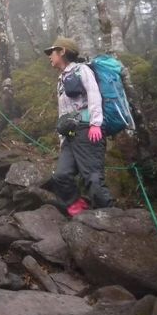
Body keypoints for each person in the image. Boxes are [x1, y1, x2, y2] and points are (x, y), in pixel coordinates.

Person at [44, 36, 113, 215]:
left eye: (52, 52)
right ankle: (79, 209)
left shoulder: (82, 70)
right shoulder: (61, 79)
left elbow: (94, 94)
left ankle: (110, 215)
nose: (49, 56)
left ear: (62, 52)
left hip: (87, 130)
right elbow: (63, 113)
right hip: (70, 136)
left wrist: (96, 124)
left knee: (92, 178)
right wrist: (62, 140)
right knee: (61, 176)